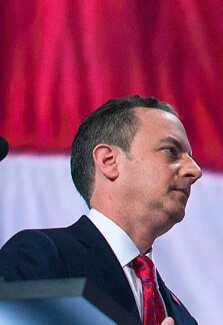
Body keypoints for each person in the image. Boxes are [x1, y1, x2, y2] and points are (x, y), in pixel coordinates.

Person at [0, 95, 202, 324]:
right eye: (171, 151)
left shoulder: (182, 317)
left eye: (191, 158)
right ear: (109, 161)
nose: (194, 170)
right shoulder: (41, 257)